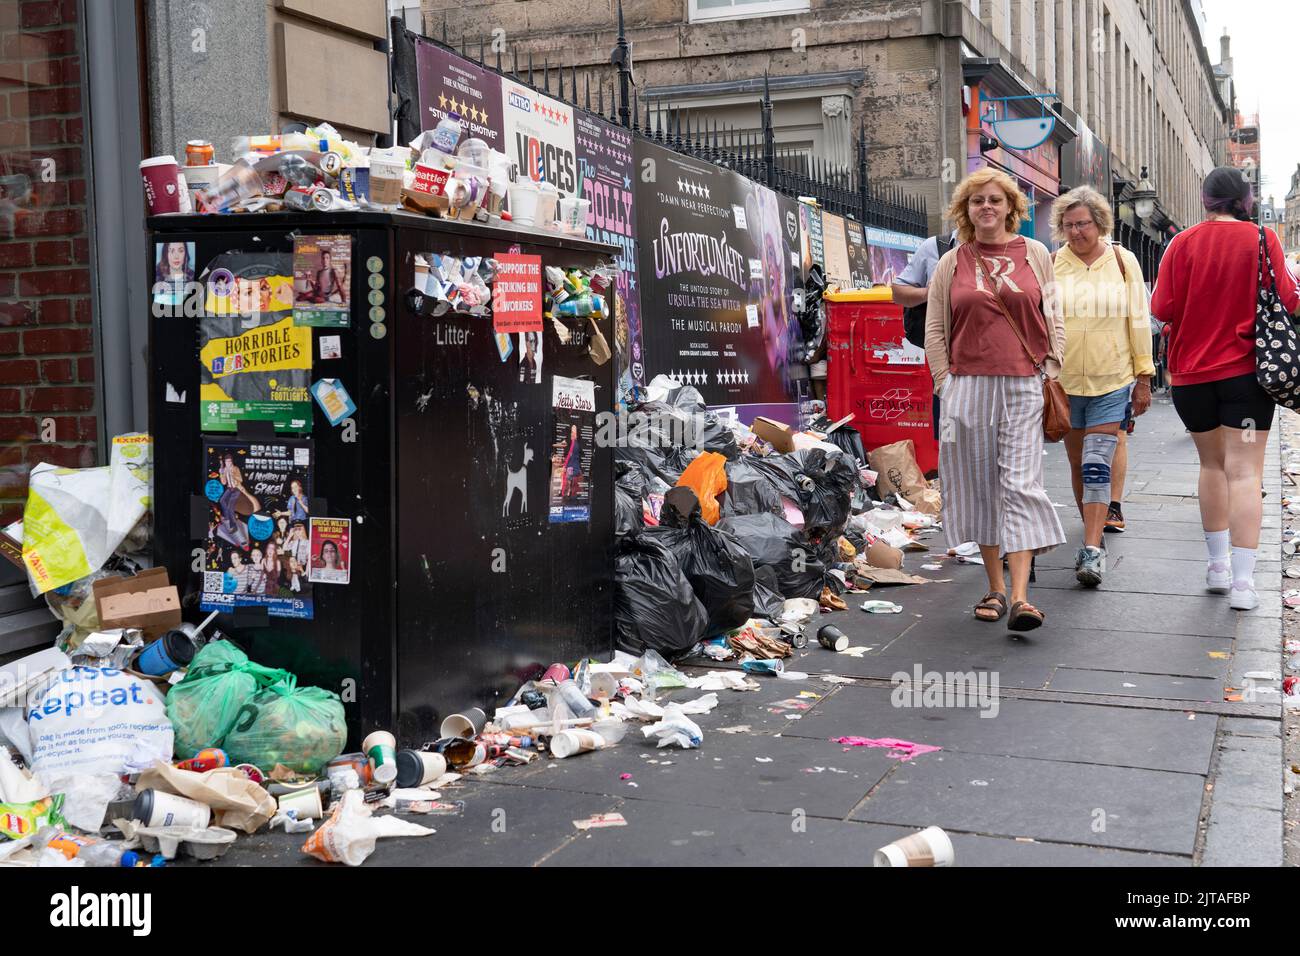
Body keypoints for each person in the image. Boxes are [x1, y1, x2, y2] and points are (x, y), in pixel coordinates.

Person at [1151, 166, 1300, 610]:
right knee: (1246, 473)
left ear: (1205, 199)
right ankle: (1242, 584)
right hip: (1245, 381)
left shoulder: (1180, 243)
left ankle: (1216, 567)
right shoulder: (1261, 239)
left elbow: (1161, 307)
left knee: (1211, 467)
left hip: (1191, 379)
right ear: (1245, 199)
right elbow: (1290, 298)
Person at [924, 168, 1067, 631]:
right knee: (981, 485)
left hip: (1022, 384)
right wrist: (946, 382)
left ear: (1011, 207)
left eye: (995, 200)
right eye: (976, 201)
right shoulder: (952, 261)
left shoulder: (1037, 254)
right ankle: (995, 588)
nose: (986, 207)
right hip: (968, 388)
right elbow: (935, 330)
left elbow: (1054, 315)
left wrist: (1051, 366)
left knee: (1021, 484)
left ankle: (1023, 596)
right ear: (965, 210)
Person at [1050, 186, 1154, 586]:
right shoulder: (1052, 264)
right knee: (1077, 464)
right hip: (1065, 382)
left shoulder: (1123, 261)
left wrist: (1143, 377)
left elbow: (1139, 320)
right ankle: (1089, 527)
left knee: (1097, 464)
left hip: (1112, 379)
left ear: (1099, 224)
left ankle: (1091, 548)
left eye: (1084, 224)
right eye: (1069, 224)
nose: (1077, 232)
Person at [893, 228, 961, 440]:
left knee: (990, 443)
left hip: (994, 367)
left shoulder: (1007, 249)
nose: (983, 207)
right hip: (948, 365)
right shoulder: (936, 247)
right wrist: (929, 292)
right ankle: (950, 470)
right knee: (950, 439)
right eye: (975, 201)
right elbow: (898, 292)